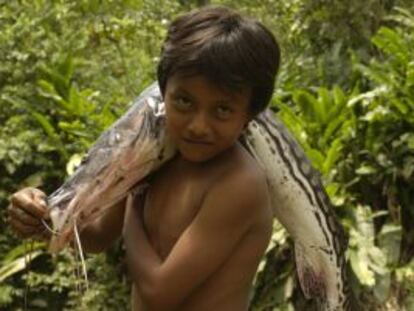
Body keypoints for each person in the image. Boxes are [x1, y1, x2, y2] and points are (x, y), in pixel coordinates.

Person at [8, 5, 280, 311]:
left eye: (222, 110)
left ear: (248, 114)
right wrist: (42, 217)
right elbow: (96, 237)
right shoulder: (157, 155)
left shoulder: (238, 183)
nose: (198, 125)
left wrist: (133, 201)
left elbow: (157, 291)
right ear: (164, 94)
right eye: (184, 101)